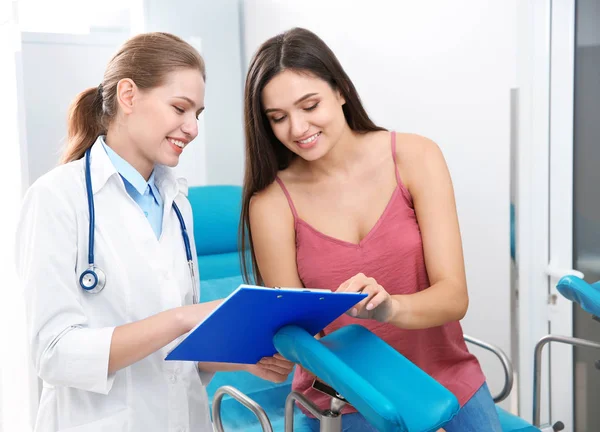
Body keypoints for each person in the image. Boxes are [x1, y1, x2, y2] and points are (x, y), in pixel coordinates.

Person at [15, 32, 293, 432]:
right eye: (180, 108)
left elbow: (172, 356)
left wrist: (245, 359)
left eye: (197, 113)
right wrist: (182, 318)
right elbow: (54, 354)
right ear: (128, 96)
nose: (192, 128)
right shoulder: (57, 198)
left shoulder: (177, 202)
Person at [240, 27, 502, 432]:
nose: (297, 128)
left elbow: (454, 296)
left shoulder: (415, 156)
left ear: (341, 90)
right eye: (278, 118)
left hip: (446, 383)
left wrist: (390, 308)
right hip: (343, 401)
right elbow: (299, 335)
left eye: (310, 105)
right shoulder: (272, 202)